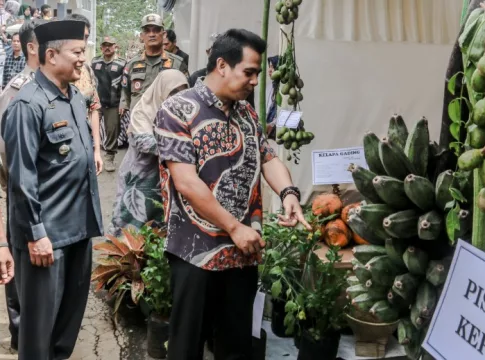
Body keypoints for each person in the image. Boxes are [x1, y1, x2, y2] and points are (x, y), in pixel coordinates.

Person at [155, 28, 311, 359]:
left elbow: (267, 157)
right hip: (196, 253)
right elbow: (186, 182)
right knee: (186, 348)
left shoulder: (245, 113)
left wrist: (288, 194)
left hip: (242, 252)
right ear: (222, 65)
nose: (256, 81)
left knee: (236, 346)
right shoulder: (177, 110)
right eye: (250, 72)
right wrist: (234, 227)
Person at [0, 19, 103, 359]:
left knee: (66, 327)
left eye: (83, 51)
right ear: (50, 54)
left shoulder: (74, 98)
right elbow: (21, 179)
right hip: (45, 239)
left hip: (78, 231)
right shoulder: (27, 105)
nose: (82, 59)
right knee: (38, 332)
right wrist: (35, 234)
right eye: (76, 52)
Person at [0, 19, 44, 350]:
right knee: (17, 267)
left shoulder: (54, 85)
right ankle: (19, 334)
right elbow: (6, 155)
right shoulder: (17, 90)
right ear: (34, 48)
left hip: (48, 197)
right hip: (19, 193)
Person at [109, 69, 188, 236]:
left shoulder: (185, 114)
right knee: (131, 228)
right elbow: (146, 144)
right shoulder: (143, 111)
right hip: (140, 181)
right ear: (161, 90)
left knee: (160, 231)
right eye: (173, 91)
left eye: (184, 91)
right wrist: (183, 147)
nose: (178, 96)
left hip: (166, 183)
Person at [120, 13, 189, 116]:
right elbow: (126, 95)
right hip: (139, 124)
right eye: (147, 31)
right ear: (142, 36)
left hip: (167, 124)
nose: (152, 34)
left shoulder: (177, 64)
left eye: (156, 30)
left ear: (164, 34)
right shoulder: (132, 65)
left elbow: (186, 95)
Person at [66, 13, 103, 174]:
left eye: (86, 37)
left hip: (85, 145)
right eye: (80, 36)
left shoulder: (87, 70)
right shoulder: (54, 72)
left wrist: (97, 150)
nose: (84, 41)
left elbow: (94, 108)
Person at [92, 36, 126, 172]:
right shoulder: (95, 62)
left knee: (112, 130)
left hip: (113, 103)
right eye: (104, 45)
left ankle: (109, 157)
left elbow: (125, 86)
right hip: (96, 102)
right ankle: (92, 155)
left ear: (115, 47)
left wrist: (123, 103)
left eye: (110, 45)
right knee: (89, 127)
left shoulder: (122, 64)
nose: (107, 48)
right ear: (101, 48)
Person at [266, 55, 279, 138]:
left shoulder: (282, 87)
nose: (269, 70)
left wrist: (272, 124)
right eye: (269, 67)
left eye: (272, 67)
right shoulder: (270, 86)